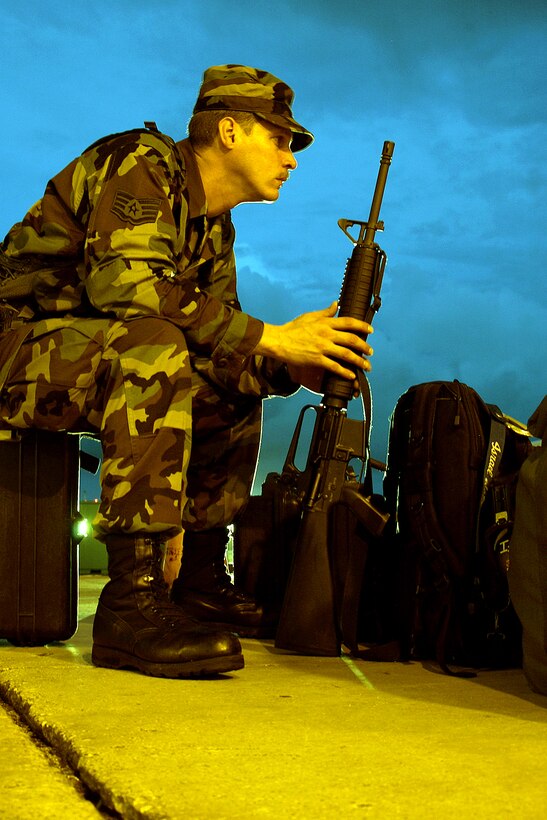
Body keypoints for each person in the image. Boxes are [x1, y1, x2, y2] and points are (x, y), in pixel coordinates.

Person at [0, 65, 374, 678]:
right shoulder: (141, 164)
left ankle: (200, 575)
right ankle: (131, 604)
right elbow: (128, 287)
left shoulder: (214, 224)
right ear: (229, 131)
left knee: (235, 377)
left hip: (82, 355)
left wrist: (291, 365)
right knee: (153, 345)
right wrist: (275, 337)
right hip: (14, 346)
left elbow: (217, 338)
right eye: (280, 139)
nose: (292, 159)